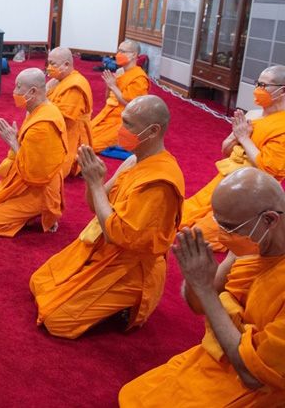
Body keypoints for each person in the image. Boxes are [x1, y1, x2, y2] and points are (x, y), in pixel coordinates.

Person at [119, 168, 285, 407]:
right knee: (134, 397)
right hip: (221, 356)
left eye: (230, 227)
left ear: (269, 219)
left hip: (261, 385)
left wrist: (207, 291)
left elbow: (253, 375)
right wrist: (196, 279)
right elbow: (198, 304)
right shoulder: (252, 242)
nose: (222, 235)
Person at [29, 95, 184, 339]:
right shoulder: (134, 160)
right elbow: (95, 205)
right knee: (40, 282)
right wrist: (95, 183)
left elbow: (117, 235)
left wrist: (95, 183)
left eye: (129, 124)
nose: (121, 130)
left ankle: (128, 302)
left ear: (153, 130)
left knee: (56, 319)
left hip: (129, 264)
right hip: (104, 243)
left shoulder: (160, 183)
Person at [180, 65, 285, 251]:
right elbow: (226, 151)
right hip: (226, 179)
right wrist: (236, 136)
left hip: (251, 193)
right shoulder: (252, 115)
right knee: (181, 216)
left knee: (199, 235)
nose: (258, 90)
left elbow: (268, 171)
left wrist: (244, 138)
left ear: (282, 91)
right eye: (257, 84)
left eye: (264, 85)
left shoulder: (282, 127)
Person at [0, 68, 67, 236]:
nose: (14, 91)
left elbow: (35, 174)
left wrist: (13, 142)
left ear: (32, 91)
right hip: (25, 178)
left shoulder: (44, 124)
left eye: (18, 87)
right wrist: (17, 139)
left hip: (39, 188)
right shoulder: (37, 110)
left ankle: (39, 211)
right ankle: (25, 214)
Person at [90, 40, 149, 153]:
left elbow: (131, 106)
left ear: (134, 55)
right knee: (83, 134)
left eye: (123, 51)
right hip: (107, 114)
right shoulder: (119, 72)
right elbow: (109, 100)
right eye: (118, 51)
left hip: (125, 120)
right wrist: (109, 86)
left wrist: (113, 86)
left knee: (92, 144)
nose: (118, 54)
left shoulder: (139, 78)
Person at [46, 47, 93, 177]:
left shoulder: (75, 85)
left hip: (69, 131)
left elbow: (63, 117)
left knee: (50, 171)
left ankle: (76, 164)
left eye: (52, 64)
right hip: (56, 125)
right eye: (48, 63)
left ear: (66, 65)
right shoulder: (59, 80)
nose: (49, 67)